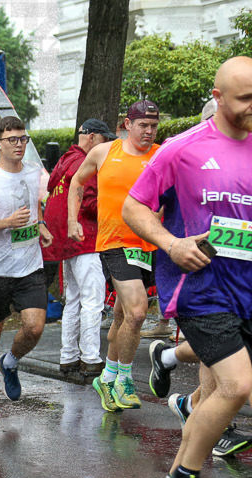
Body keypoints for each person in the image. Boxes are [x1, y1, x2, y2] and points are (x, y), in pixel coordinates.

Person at [122, 56, 252, 478]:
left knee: (220, 390)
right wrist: (172, 244)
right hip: (200, 288)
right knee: (237, 384)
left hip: (247, 290)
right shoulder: (182, 148)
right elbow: (134, 208)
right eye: (245, 99)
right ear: (217, 98)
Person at [70, 100, 161, 412]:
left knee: (124, 316)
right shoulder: (104, 151)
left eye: (154, 126)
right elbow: (76, 182)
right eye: (143, 125)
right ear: (127, 124)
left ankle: (106, 377)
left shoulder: (161, 154)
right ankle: (123, 379)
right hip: (114, 241)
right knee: (137, 313)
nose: (148, 132)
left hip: (148, 244)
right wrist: (72, 220)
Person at [0, 116, 52, 421]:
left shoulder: (33, 174)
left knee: (34, 326)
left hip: (29, 265)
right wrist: (7, 223)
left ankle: (11, 361)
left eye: (23, 139)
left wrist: (40, 225)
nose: (19, 145)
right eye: (12, 140)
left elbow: (35, 205)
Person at [45, 119, 114, 380]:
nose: (106, 146)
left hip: (65, 242)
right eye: (105, 140)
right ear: (94, 138)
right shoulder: (85, 164)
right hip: (86, 238)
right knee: (93, 301)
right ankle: (91, 359)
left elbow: (53, 193)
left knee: (73, 301)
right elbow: (91, 202)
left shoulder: (64, 161)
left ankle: (68, 358)